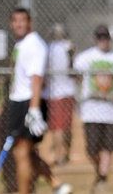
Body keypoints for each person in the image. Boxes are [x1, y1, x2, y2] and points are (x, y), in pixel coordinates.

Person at [4, 7, 72, 194]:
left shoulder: (34, 45)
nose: (19, 24)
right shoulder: (21, 44)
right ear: (11, 24)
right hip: (20, 101)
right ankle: (56, 183)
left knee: (21, 153)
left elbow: (37, 79)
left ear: (30, 23)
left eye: (22, 20)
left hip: (29, 102)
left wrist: (34, 110)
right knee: (26, 152)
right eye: (15, 20)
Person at [72, 26, 113, 193]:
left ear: (109, 39)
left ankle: (102, 178)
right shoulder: (85, 58)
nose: (102, 40)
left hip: (112, 112)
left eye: (105, 37)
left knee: (108, 147)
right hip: (91, 111)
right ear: (95, 38)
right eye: (99, 37)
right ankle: (100, 172)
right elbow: (75, 77)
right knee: (92, 150)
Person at [44, 24, 76, 166]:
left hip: (54, 91)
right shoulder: (68, 47)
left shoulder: (48, 48)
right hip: (67, 90)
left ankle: (59, 156)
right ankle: (65, 153)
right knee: (65, 126)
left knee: (58, 127)